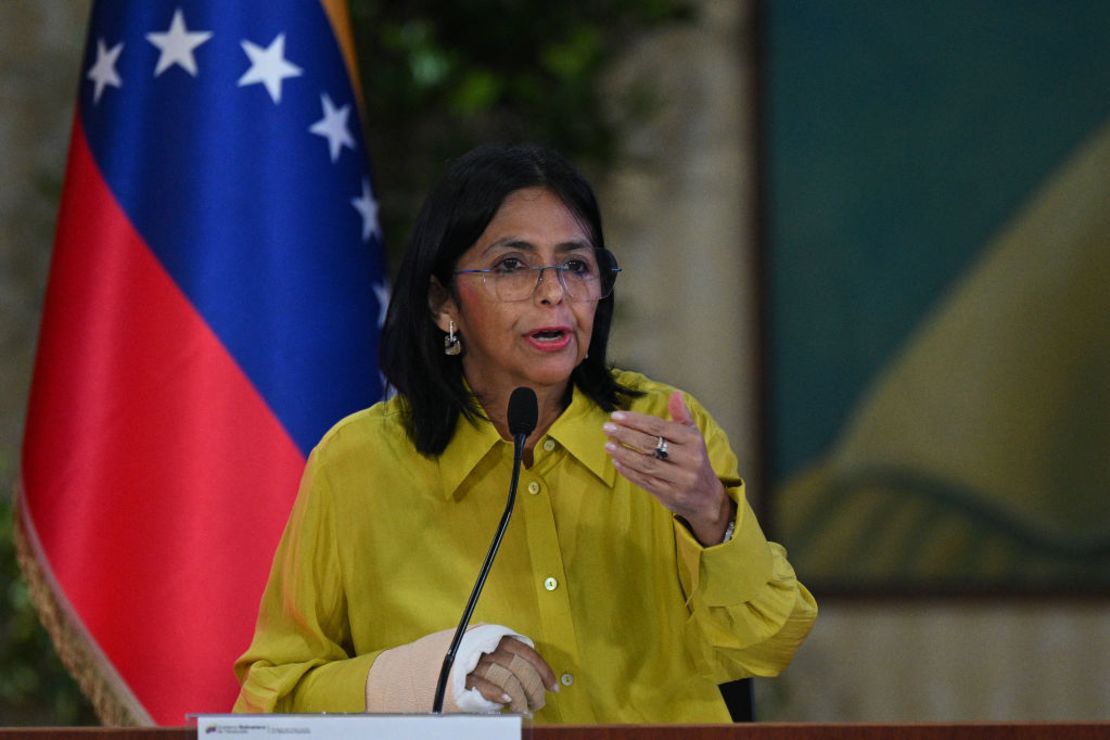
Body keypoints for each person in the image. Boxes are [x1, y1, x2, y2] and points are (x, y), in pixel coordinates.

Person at [233, 143, 817, 723]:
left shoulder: (666, 430)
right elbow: (275, 695)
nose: (554, 292)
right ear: (443, 303)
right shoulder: (359, 462)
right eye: (512, 265)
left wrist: (711, 515)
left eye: (575, 265)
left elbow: (768, 647)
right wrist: (434, 674)